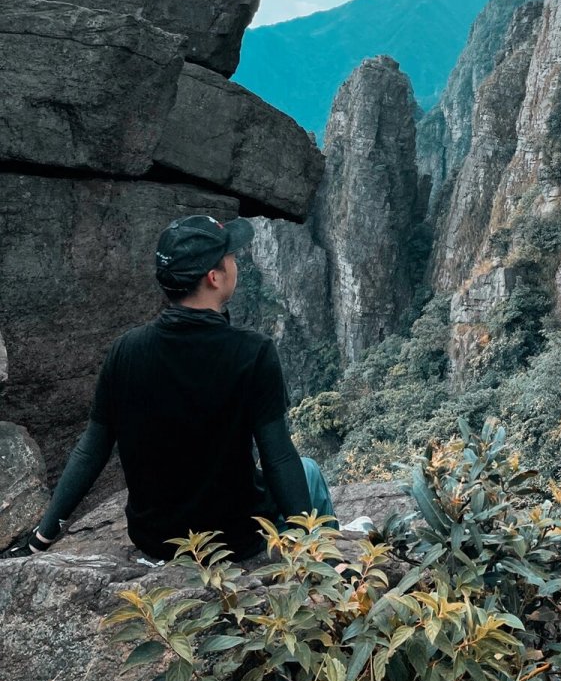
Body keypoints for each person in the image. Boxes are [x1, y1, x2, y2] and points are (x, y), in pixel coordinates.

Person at [27, 214, 335, 561]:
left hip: (155, 540)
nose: (236, 263)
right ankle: (326, 576)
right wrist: (317, 551)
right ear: (214, 277)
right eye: (231, 257)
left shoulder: (125, 351)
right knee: (308, 470)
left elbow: (91, 450)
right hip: (233, 542)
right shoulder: (252, 353)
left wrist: (42, 535)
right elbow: (277, 457)